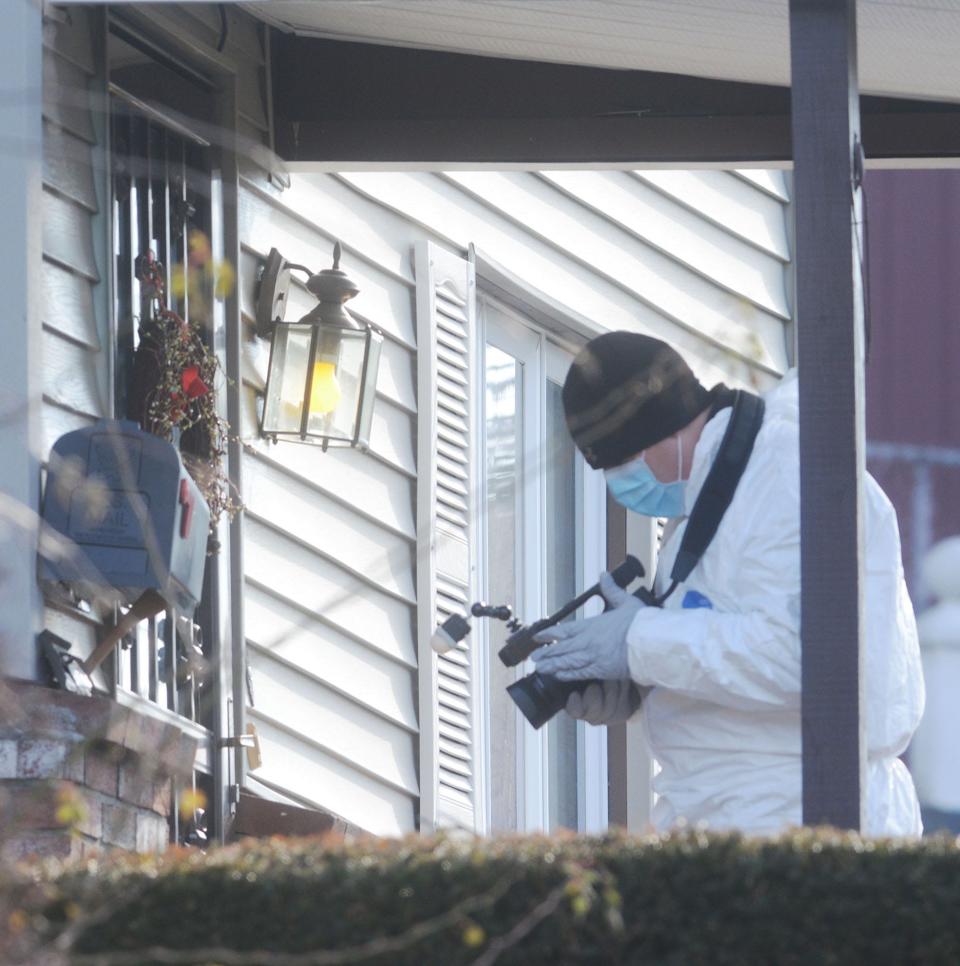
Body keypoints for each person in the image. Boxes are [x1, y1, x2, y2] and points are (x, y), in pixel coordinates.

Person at [532, 331, 924, 837]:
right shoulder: (717, 494)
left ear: (660, 433)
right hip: (737, 817)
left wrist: (639, 642)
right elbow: (731, 647)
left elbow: (810, 656)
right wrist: (632, 689)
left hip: (802, 820)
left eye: (620, 465)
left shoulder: (784, 478)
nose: (619, 487)